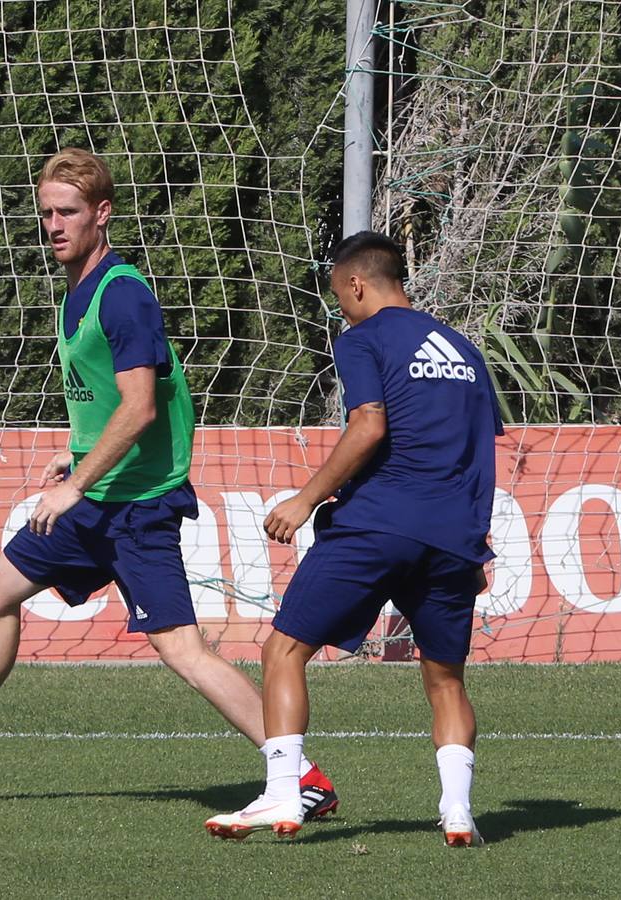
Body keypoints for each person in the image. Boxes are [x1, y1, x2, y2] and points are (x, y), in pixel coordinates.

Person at [0, 148, 336, 821]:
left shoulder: (123, 294)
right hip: (97, 498)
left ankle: (301, 775)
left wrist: (76, 481)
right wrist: (75, 453)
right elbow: (110, 401)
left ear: (101, 214)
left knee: (181, 650)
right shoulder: (77, 287)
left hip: (133, 510)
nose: (53, 224)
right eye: (45, 212)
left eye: (67, 212)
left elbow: (139, 408)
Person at [204, 231, 502, 845]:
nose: (339, 304)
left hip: (380, 521)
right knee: (445, 679)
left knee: (283, 650)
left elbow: (369, 424)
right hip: (452, 535)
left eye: (339, 293)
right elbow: (478, 453)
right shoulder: (466, 351)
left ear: (357, 283)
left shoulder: (362, 338)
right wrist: (478, 544)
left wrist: (305, 498)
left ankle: (284, 794)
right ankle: (458, 813)